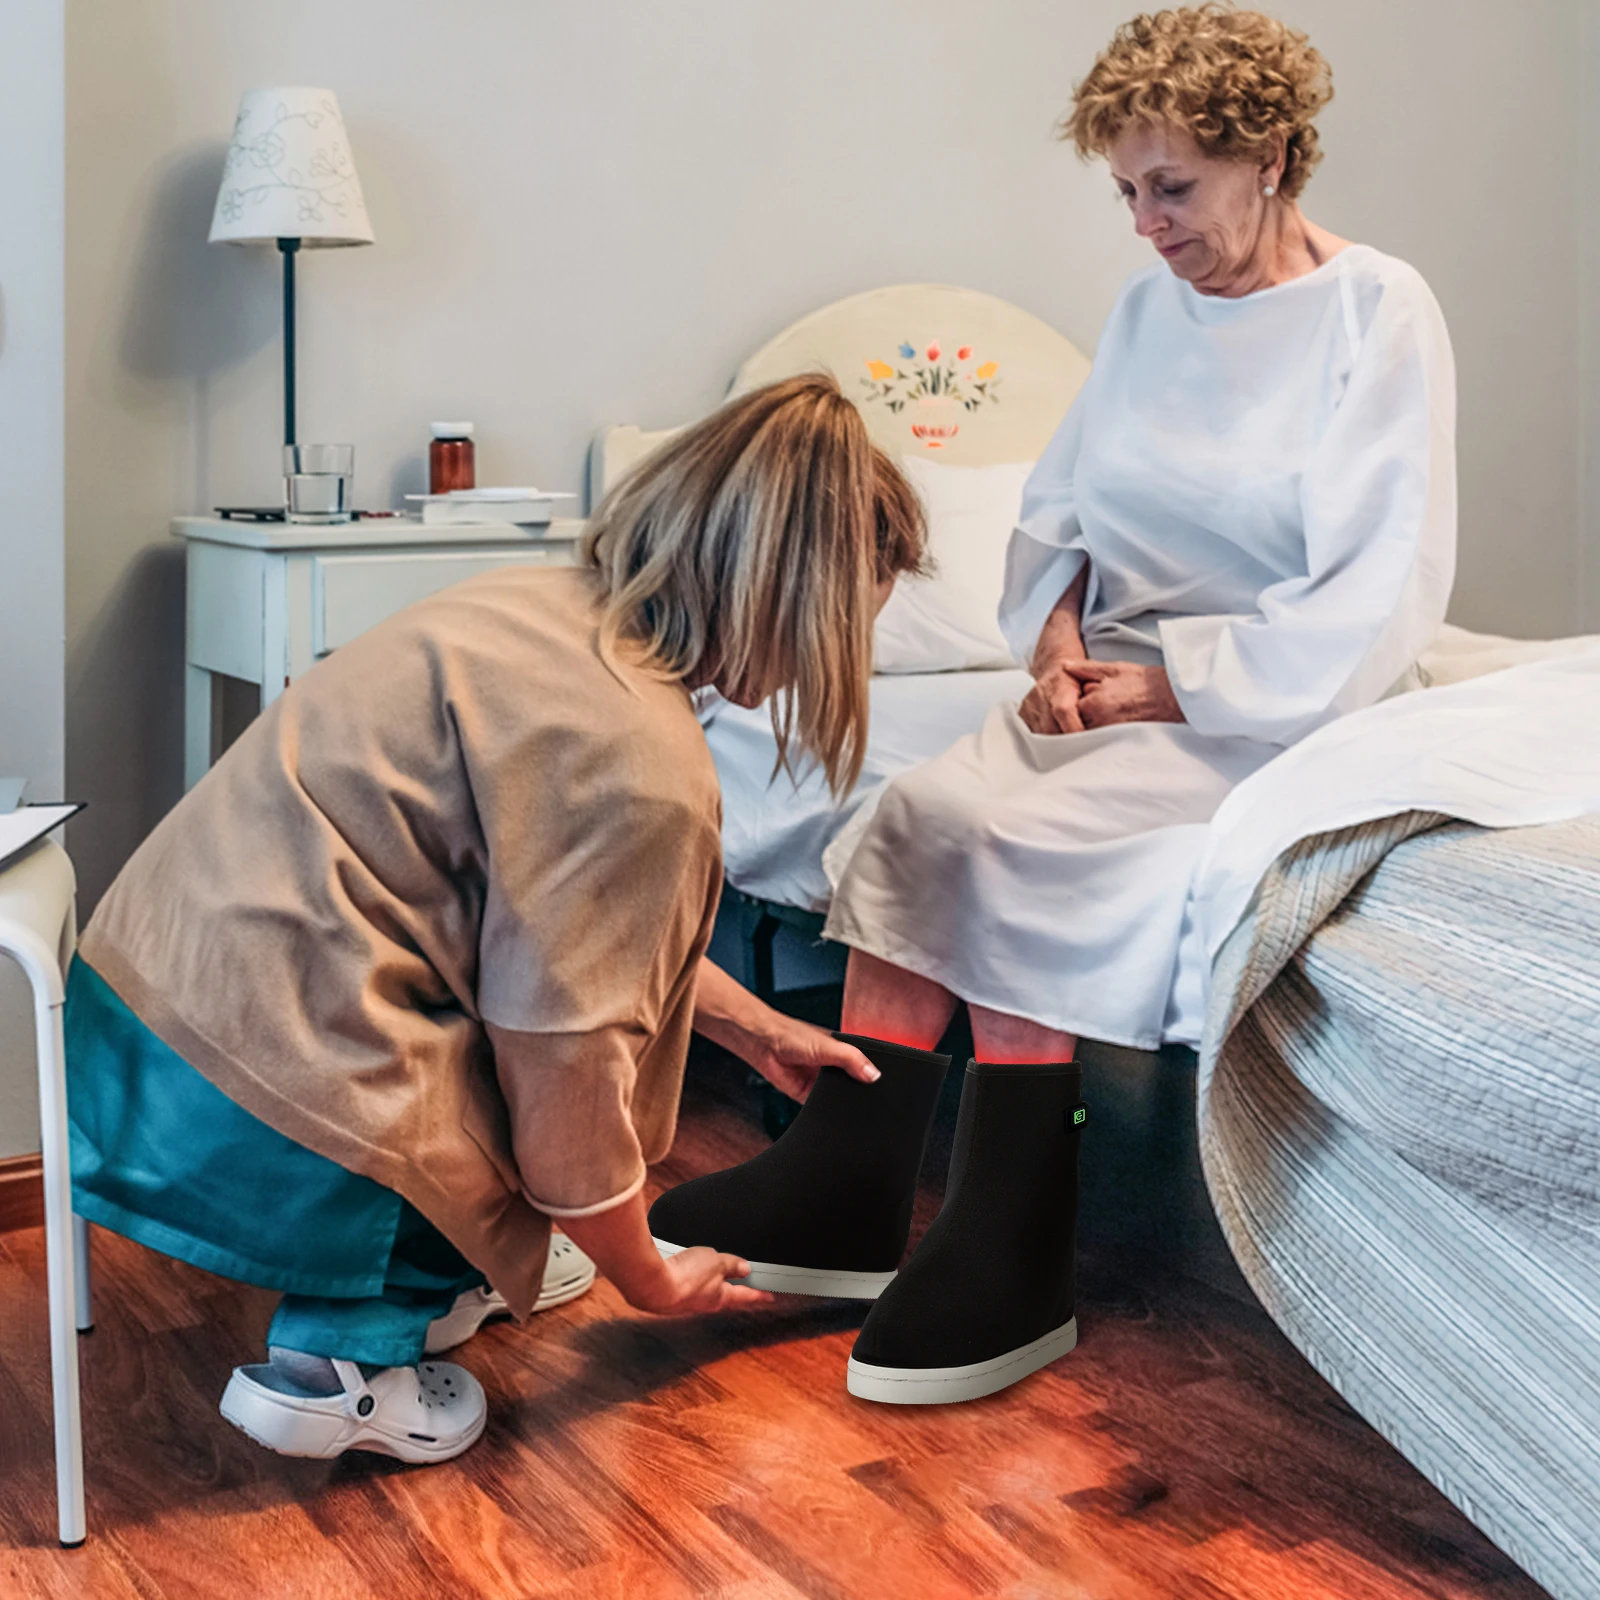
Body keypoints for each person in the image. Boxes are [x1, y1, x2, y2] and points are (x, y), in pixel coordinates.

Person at [651, 4, 1456, 1406]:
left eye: (1173, 188)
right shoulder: (1149, 310)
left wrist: (1174, 685)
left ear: (1268, 154)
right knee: (919, 811)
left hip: (1261, 695)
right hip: (1111, 672)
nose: (1145, 224)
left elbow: (1380, 578)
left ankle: (1015, 1234)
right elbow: (1064, 506)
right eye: (1126, 191)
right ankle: (848, 1187)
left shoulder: (1378, 310)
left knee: (1021, 844)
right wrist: (1059, 642)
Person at [65, 373, 929, 1463]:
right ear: (785, 596)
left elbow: (568, 934)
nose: (828, 660)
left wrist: (758, 1029)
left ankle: (427, 1272)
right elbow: (564, 1059)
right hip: (253, 1096)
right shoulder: (642, 763)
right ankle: (338, 1368)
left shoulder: (538, 609)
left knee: (495, 1051)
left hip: (133, 1033)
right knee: (503, 1088)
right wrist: (646, 1271)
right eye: (842, 626)